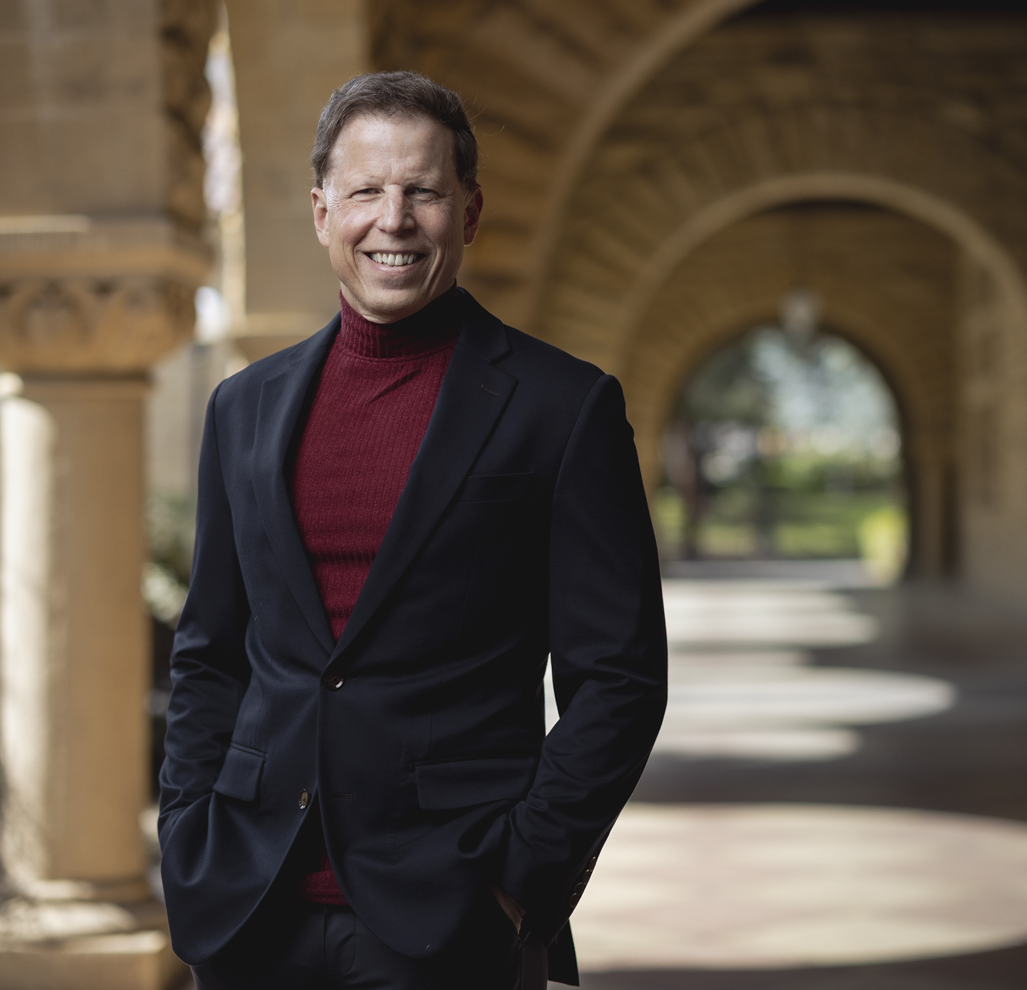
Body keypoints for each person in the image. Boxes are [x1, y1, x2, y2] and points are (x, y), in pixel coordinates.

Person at [157, 70, 667, 990]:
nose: (392, 219)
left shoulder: (564, 409)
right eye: (365, 192)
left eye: (422, 192)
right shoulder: (245, 408)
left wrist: (522, 880)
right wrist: (187, 827)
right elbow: (210, 652)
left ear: (468, 215)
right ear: (322, 212)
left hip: (453, 914)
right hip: (248, 903)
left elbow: (620, 681)